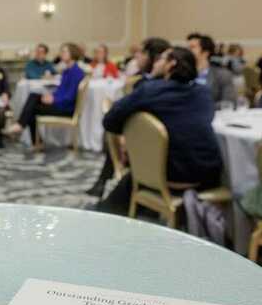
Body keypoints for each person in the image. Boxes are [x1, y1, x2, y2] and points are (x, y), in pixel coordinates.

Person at [93, 47, 223, 214]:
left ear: (171, 64)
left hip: (170, 174)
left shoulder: (152, 90)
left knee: (135, 174)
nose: (156, 62)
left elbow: (110, 121)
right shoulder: (203, 93)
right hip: (207, 173)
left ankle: (107, 215)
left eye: (161, 59)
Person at [86, 37, 171, 198]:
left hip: (155, 146)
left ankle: (104, 182)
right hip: (146, 137)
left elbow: (118, 116)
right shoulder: (146, 80)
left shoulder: (151, 85)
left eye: (141, 52)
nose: (136, 56)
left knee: (114, 124)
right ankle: (103, 181)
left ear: (153, 57)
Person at [7, 43, 85, 145]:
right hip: (61, 103)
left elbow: (70, 96)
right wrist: (52, 96)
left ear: (72, 53)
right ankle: (25, 129)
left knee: (32, 109)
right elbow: (61, 90)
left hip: (66, 108)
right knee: (34, 95)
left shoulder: (76, 72)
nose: (61, 54)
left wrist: (54, 99)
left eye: (64, 51)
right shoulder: (68, 70)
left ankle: (23, 127)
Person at [187, 33, 236, 108]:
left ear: (205, 52)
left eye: (192, 47)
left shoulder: (222, 75)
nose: (187, 51)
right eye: (188, 47)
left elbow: (229, 103)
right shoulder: (182, 74)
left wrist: (200, 107)